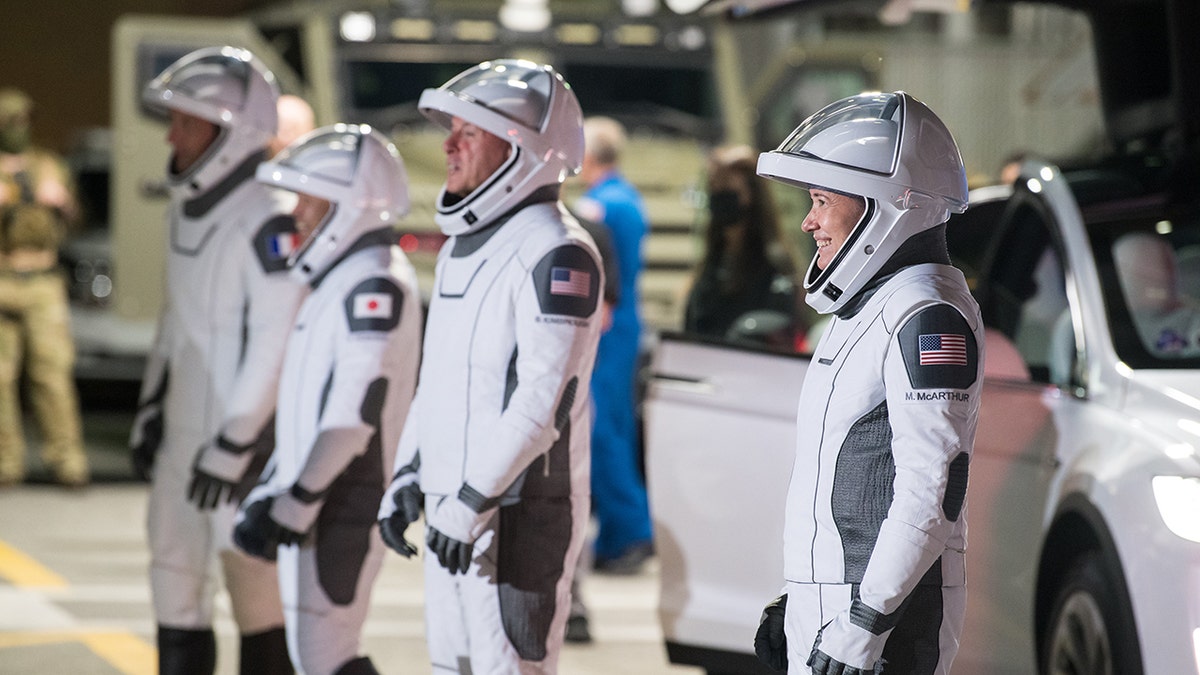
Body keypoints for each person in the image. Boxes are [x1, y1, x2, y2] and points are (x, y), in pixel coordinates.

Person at [376, 59, 604, 673]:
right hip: (456, 512)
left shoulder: (558, 250)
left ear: (520, 150)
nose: (448, 145)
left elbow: (541, 402)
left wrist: (468, 501)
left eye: (467, 132)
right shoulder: (460, 247)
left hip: (520, 514)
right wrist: (406, 477)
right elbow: (439, 381)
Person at [752, 91, 984, 674]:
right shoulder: (876, 304)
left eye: (822, 201)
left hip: (880, 624)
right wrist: (802, 599)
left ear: (887, 206)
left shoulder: (927, 312)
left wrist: (864, 626)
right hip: (845, 608)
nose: (809, 222)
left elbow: (932, 491)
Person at [130, 46, 306, 674]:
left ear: (232, 133)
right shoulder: (190, 209)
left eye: (187, 121)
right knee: (173, 578)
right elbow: (175, 322)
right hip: (184, 442)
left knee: (255, 595)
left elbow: (279, 340)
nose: (171, 135)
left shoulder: (271, 219)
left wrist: (236, 440)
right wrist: (152, 407)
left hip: (244, 451)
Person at [233, 124, 422, 675]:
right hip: (319, 497)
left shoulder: (375, 285)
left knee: (327, 657)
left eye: (309, 198)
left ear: (348, 206)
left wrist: (293, 502)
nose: (296, 213)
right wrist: (274, 489)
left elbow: (352, 415)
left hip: (345, 500)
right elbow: (309, 414)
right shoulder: (347, 279)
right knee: (315, 655)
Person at [572, 115, 654, 576]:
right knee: (615, 427)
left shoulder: (598, 205)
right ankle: (626, 531)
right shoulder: (628, 198)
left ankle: (628, 532)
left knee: (601, 431)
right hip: (624, 325)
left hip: (606, 328)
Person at [0, 86, 89, 487]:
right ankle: (7, 463)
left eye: (23, 121)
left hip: (42, 280)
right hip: (2, 276)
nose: (18, 128)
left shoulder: (48, 165)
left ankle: (67, 460)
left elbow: (79, 218)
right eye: (10, 122)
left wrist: (62, 202)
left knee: (52, 374)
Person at [684, 144, 802, 348]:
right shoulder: (715, 257)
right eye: (714, 187)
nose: (719, 195)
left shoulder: (773, 261)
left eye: (727, 188)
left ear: (751, 195)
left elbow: (780, 333)